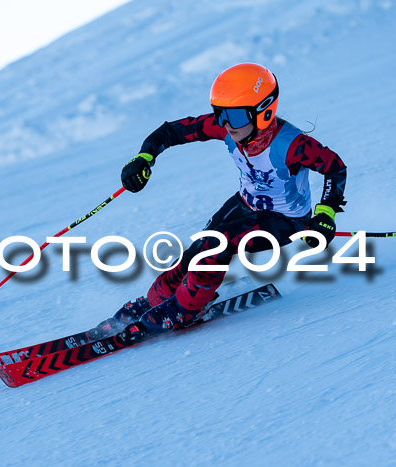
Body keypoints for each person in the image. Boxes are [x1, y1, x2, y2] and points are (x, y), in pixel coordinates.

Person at [115, 62, 347, 334]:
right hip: (246, 203)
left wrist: (325, 213)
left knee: (218, 247)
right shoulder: (229, 129)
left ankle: (185, 310)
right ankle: (156, 300)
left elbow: (335, 167)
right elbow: (172, 131)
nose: (226, 124)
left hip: (286, 220)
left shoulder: (293, 145)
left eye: (234, 117)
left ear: (264, 110)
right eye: (221, 114)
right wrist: (144, 157)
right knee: (196, 251)